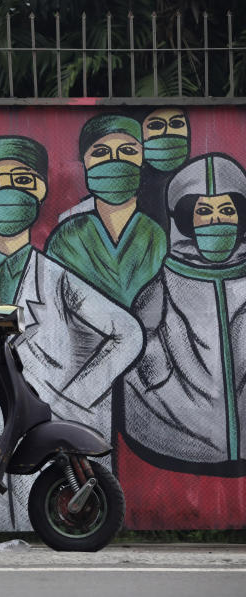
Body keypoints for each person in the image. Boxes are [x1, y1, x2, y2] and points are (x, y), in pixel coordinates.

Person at [0, 136, 142, 532]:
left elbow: (128, 335)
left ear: (39, 189)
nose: (4, 192)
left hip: (46, 426)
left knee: (46, 505)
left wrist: (72, 395)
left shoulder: (59, 283)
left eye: (20, 180)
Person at [123, 153, 246, 476]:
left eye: (226, 210)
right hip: (177, 428)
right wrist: (156, 375)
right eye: (203, 211)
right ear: (183, 218)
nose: (215, 220)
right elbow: (140, 336)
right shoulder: (164, 282)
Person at [46, 114, 167, 307]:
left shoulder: (156, 235)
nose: (114, 160)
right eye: (100, 152)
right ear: (84, 163)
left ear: (142, 160)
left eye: (127, 150)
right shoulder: (66, 238)